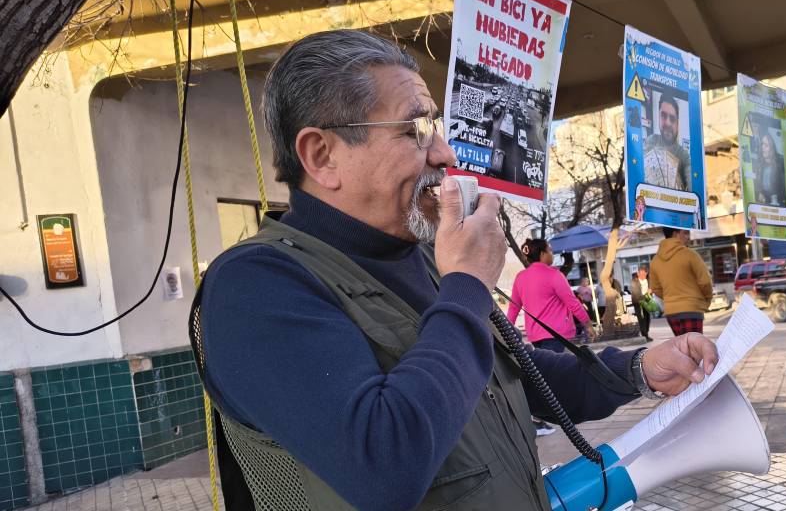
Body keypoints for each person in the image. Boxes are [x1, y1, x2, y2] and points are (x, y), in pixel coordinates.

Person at [194, 30, 719, 511]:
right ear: (322, 155)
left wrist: (638, 370)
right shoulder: (255, 286)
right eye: (415, 130)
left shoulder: (425, 255)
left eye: (437, 127)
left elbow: (523, 373)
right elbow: (385, 465)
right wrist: (466, 285)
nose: (444, 153)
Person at [506, 239, 594, 353]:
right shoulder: (554, 275)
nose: (552, 254)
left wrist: (507, 331)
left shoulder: (520, 277)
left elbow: (514, 308)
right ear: (542, 254)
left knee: (547, 367)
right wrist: (587, 324)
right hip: (557, 334)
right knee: (559, 368)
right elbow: (573, 303)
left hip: (535, 335)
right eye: (550, 251)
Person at [649, 227, 713, 336]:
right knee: (694, 349)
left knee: (683, 349)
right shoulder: (690, 255)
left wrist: (671, 298)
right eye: (686, 233)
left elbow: (656, 289)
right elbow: (705, 282)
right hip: (691, 308)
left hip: (671, 312)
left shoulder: (655, 261)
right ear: (675, 234)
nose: (689, 237)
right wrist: (706, 300)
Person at [643, 93, 691, 191]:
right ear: (659, 117)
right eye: (663, 116)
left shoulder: (684, 156)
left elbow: (693, 186)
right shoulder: (650, 141)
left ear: (678, 123)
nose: (667, 123)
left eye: (672, 119)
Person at [630, 266, 653, 342]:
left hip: (647, 301)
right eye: (642, 274)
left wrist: (651, 291)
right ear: (638, 273)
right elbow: (636, 293)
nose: (643, 276)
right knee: (641, 318)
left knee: (647, 317)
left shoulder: (649, 279)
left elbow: (652, 287)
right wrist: (646, 294)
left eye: (645, 274)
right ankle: (644, 334)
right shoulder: (635, 281)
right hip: (638, 302)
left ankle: (646, 333)